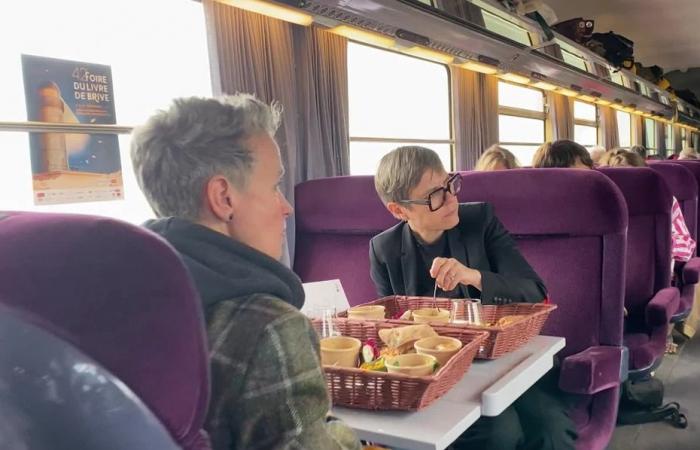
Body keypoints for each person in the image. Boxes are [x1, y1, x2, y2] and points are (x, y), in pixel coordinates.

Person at [130, 95, 361, 450]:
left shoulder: (126, 294)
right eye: (273, 187)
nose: (285, 207)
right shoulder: (269, 328)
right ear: (224, 197)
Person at [369, 146, 576, 450]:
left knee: (551, 428)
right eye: (435, 196)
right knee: (499, 432)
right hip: (439, 371)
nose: (451, 198)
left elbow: (535, 292)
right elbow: (394, 330)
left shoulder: (480, 220)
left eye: (449, 184)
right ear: (399, 210)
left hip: (503, 358)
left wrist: (473, 276)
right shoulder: (383, 250)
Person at [598, 148, 696, 262]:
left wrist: (660, 240)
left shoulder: (662, 201)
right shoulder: (593, 206)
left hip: (654, 274)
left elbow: (686, 247)